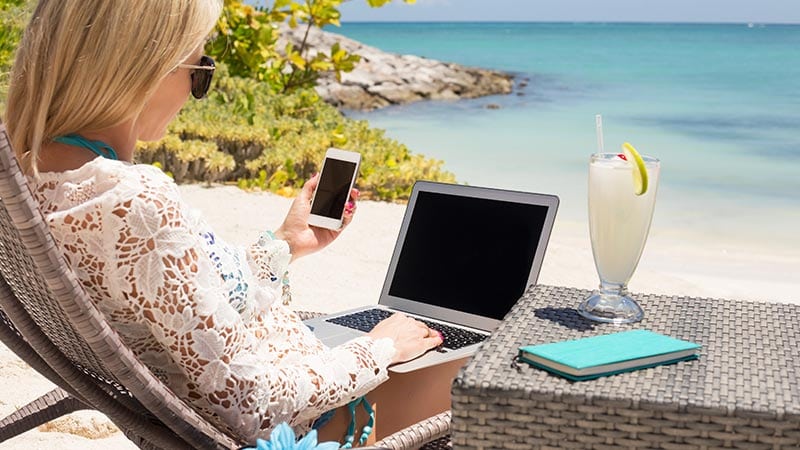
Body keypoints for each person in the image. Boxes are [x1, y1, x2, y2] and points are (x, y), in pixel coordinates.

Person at [3, 0, 444, 444]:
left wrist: (285, 243)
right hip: (312, 422)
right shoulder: (133, 200)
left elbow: (174, 296)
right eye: (200, 73)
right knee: (479, 375)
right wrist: (378, 349)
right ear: (147, 67)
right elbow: (254, 406)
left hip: (251, 388)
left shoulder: (30, 179)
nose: (195, 93)